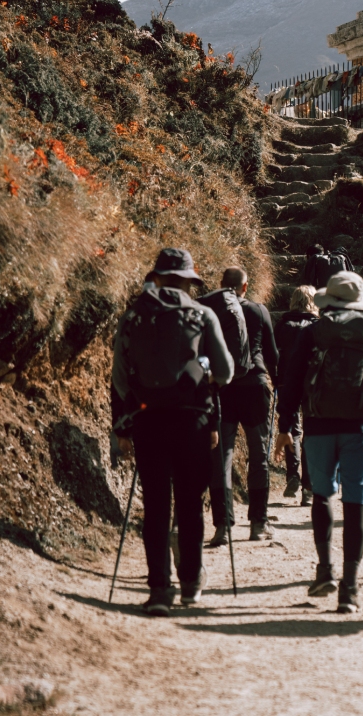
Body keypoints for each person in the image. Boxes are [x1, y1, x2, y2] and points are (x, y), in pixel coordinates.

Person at [111, 247, 233, 616]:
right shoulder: (202, 314)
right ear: (188, 280)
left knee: (156, 507)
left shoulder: (132, 316)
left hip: (149, 421)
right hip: (192, 420)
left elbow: (119, 378)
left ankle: (159, 590)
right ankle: (191, 582)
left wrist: (128, 419)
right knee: (190, 503)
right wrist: (203, 375)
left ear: (158, 276)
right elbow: (227, 371)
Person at [275, 271, 363, 614]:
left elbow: (292, 378)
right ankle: (351, 587)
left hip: (318, 424)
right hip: (361, 426)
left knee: (322, 494)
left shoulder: (314, 331)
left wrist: (286, 424)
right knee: (356, 500)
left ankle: (325, 568)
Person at [200, 267, 280, 545]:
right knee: (259, 455)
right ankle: (258, 523)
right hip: (256, 386)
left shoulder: (212, 311)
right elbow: (272, 354)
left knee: (221, 455)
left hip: (223, 389)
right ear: (246, 286)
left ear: (221, 285)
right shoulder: (259, 311)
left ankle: (223, 526)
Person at [274, 284, 319, 505]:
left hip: (285, 381)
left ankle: (292, 474)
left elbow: (272, 353)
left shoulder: (282, 324)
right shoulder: (317, 326)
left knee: (292, 427)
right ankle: (308, 488)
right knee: (310, 430)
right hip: (312, 384)